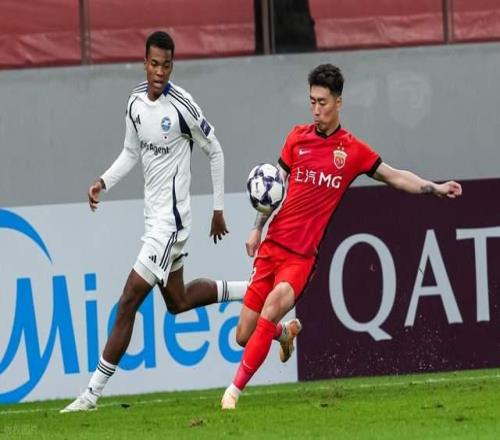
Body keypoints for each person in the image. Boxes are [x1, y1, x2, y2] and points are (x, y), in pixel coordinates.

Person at [220, 63, 463, 409]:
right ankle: (285, 333)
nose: (316, 109)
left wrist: (434, 188)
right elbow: (274, 189)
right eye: (312, 101)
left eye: (322, 102)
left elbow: (394, 176)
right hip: (272, 248)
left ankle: (232, 394)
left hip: (301, 258)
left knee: (271, 308)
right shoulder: (296, 139)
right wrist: (257, 229)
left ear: (338, 102)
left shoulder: (351, 151)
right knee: (243, 335)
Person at [60, 30, 250, 412]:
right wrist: (103, 182)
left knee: (128, 299)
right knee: (177, 302)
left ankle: (91, 394)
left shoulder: (183, 107)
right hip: (154, 222)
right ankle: (252, 289)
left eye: (166, 65)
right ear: (144, 63)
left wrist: (218, 209)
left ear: (172, 67)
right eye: (154, 64)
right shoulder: (134, 103)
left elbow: (215, 151)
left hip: (172, 225)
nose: (159, 72)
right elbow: (130, 152)